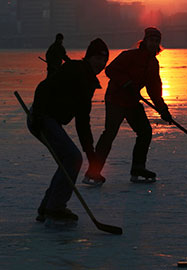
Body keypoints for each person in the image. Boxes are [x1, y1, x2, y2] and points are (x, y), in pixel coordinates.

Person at [28, 38, 109, 222]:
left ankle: (47, 207)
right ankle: (55, 207)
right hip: (41, 117)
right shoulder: (75, 69)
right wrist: (38, 115)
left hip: (50, 120)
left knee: (69, 159)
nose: (101, 64)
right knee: (72, 158)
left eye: (104, 61)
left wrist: (91, 154)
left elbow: (83, 121)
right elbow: (44, 87)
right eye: (98, 58)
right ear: (89, 57)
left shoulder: (89, 83)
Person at [83, 27, 172, 186]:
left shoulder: (153, 63)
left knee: (145, 132)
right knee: (109, 134)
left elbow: (154, 89)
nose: (154, 43)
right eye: (151, 40)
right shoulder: (130, 55)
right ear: (144, 41)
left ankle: (138, 168)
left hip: (132, 102)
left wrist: (163, 109)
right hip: (115, 99)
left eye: (157, 41)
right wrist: (127, 83)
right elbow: (110, 70)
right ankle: (93, 171)